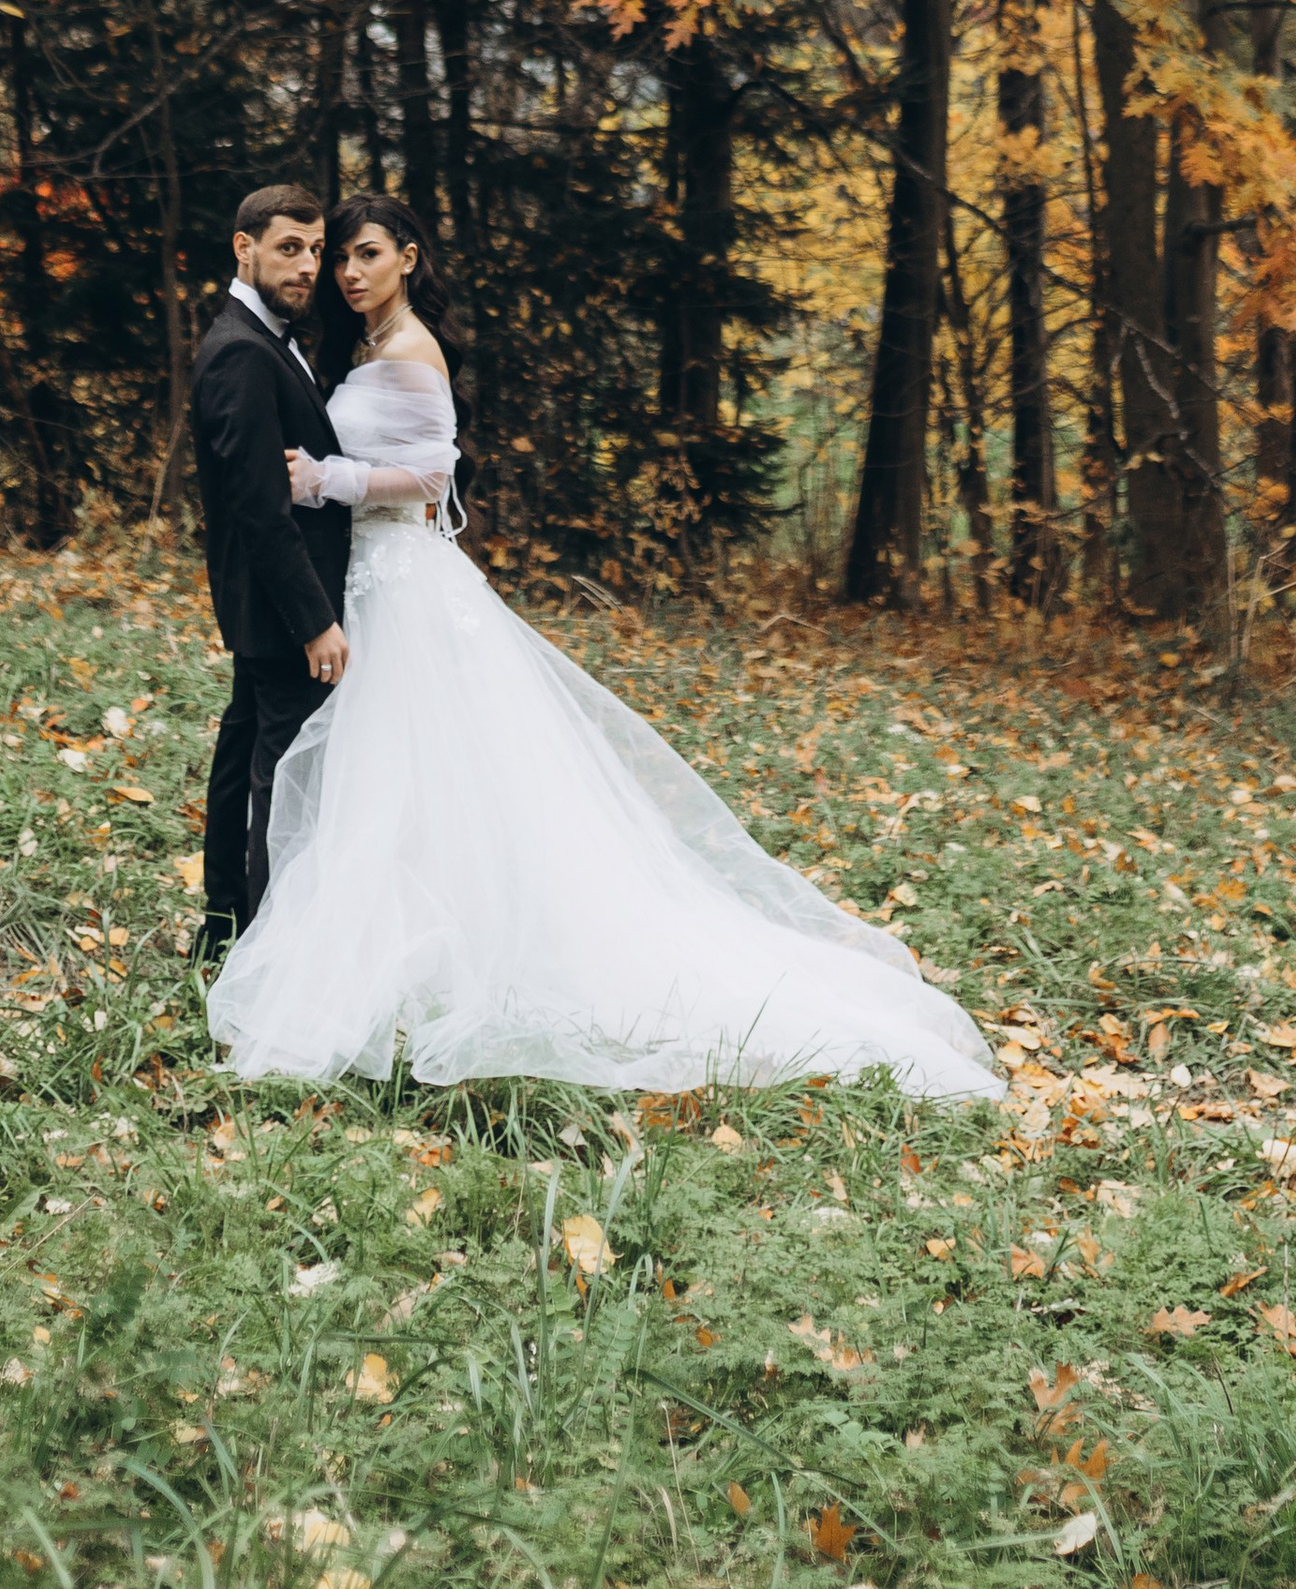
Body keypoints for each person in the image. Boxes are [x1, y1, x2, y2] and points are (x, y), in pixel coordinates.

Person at [204, 191, 1001, 1098]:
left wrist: (325, 479)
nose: (347, 272)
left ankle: (406, 960)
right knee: (394, 777)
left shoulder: (414, 348)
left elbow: (434, 474)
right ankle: (371, 951)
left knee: (411, 768)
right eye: (338, 257)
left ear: (411, 259)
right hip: (374, 581)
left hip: (404, 583)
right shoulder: (361, 346)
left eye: (366, 255)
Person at [186, 186, 351, 961]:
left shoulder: (263, 337)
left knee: (242, 758)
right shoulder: (242, 352)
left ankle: (223, 928)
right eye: (290, 247)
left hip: (260, 606)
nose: (309, 264)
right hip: (281, 607)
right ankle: (264, 954)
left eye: (317, 249)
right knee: (280, 782)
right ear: (243, 247)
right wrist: (315, 619)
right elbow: (258, 508)